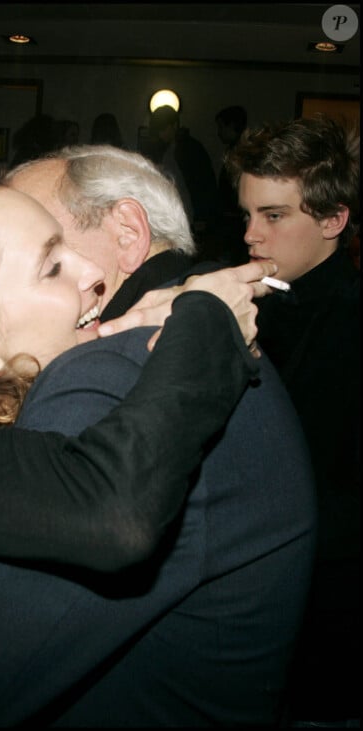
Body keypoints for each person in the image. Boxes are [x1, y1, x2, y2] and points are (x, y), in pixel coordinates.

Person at [0, 152, 314, 726]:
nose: (87, 273)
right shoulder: (122, 363)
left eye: (58, 243)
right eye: (49, 264)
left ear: (129, 232)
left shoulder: (103, 378)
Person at [225, 114, 360, 726]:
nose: (252, 234)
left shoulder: (349, 325)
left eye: (274, 216)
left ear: (334, 220)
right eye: (248, 214)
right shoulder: (265, 300)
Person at [145, 105, 220, 236]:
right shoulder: (172, 149)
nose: (161, 134)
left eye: (163, 129)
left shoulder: (188, 148)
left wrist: (201, 216)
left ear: (174, 125)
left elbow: (202, 183)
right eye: (159, 130)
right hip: (181, 214)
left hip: (191, 215)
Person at [208, 105, 248, 265]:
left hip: (234, 219)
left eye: (221, 127)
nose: (219, 132)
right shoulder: (235, 150)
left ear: (232, 126)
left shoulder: (241, 154)